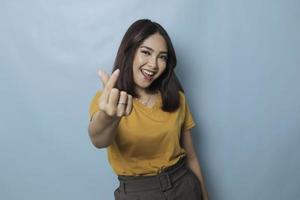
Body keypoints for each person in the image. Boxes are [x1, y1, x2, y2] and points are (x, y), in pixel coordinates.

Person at [88, 19, 208, 200]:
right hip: (139, 193)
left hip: (184, 186)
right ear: (129, 52)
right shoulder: (109, 101)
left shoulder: (177, 99)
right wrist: (108, 116)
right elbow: (99, 139)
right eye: (146, 52)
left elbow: (191, 157)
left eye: (162, 57)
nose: (153, 64)